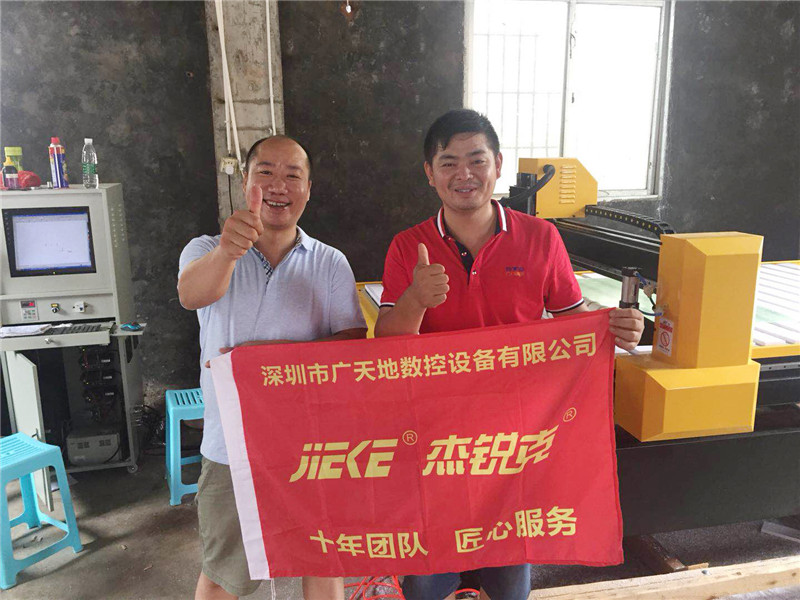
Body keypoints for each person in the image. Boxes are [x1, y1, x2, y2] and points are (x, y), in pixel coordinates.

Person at [374, 109, 644, 600]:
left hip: (515, 440)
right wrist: (414, 299)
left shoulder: (541, 238)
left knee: (509, 571)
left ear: (497, 165)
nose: (464, 174)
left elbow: (572, 323)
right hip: (435, 442)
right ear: (430, 173)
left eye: (477, 160)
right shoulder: (407, 246)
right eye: (449, 162)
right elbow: (387, 347)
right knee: (426, 578)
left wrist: (615, 326)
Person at [178, 135, 367, 600]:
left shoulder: (330, 263)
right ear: (245, 181)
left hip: (313, 447)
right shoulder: (206, 248)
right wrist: (228, 251)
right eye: (265, 172)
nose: (279, 186)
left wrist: (264, 359)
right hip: (232, 448)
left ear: (308, 189)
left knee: (323, 561)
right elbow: (190, 295)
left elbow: (350, 348)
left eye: (292, 175)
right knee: (224, 574)